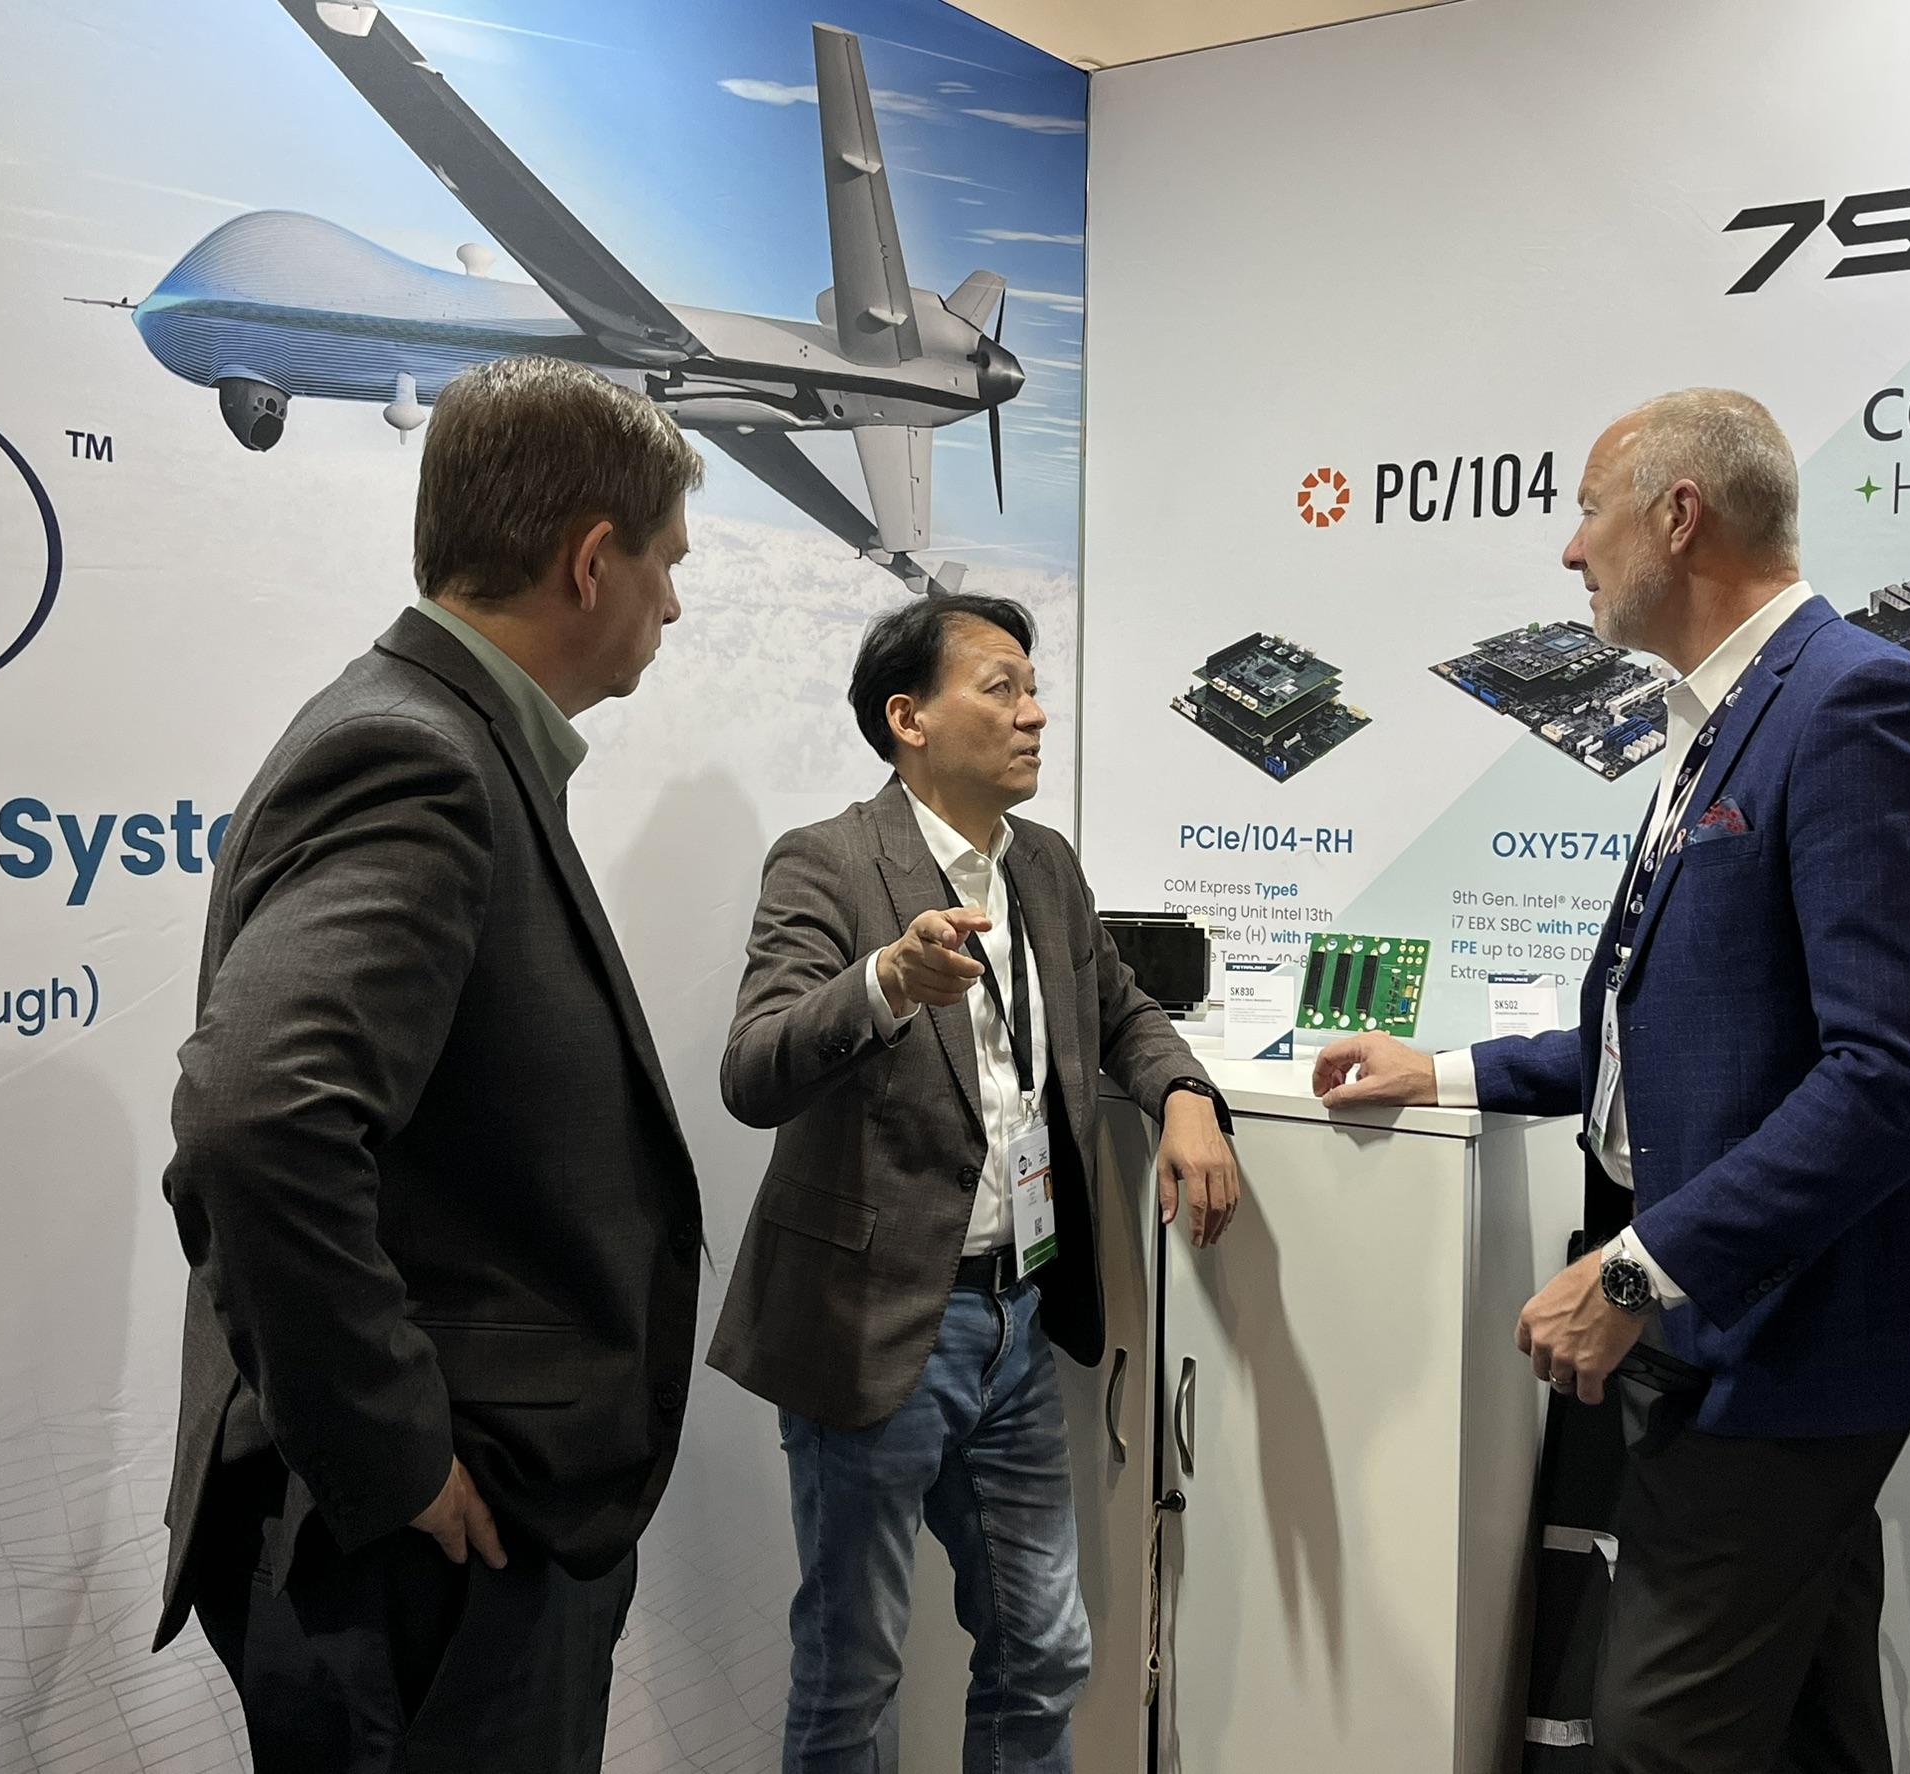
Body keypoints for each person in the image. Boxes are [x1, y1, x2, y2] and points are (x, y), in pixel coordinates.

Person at [1314, 389, 1910, 1773]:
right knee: (1810, 1721)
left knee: (1661, 1737)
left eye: (1588, 511)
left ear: (1678, 515)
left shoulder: (1854, 702)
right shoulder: (1721, 714)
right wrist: (1451, 1067)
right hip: (1736, 1317)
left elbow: (1898, 1070)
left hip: (1790, 1328)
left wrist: (1637, 1272)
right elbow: (1666, 1027)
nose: (1569, 551)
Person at [154, 355, 709, 1774]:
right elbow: (257, 1119)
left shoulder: (445, 737)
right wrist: (393, 1453)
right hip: (423, 1568)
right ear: (591, 559)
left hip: (442, 1552)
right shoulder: (420, 757)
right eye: (665, 563)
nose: (673, 603)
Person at [711, 594, 1241, 1773]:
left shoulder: (1042, 865)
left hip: (1016, 1319)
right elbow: (752, 1068)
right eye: (1002, 688)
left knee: (1043, 1647)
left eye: (1033, 687)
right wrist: (885, 982)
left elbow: (1122, 1010)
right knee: (854, 1669)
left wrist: (1186, 1096)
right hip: (874, 1323)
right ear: (909, 718)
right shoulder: (827, 861)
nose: (1034, 712)